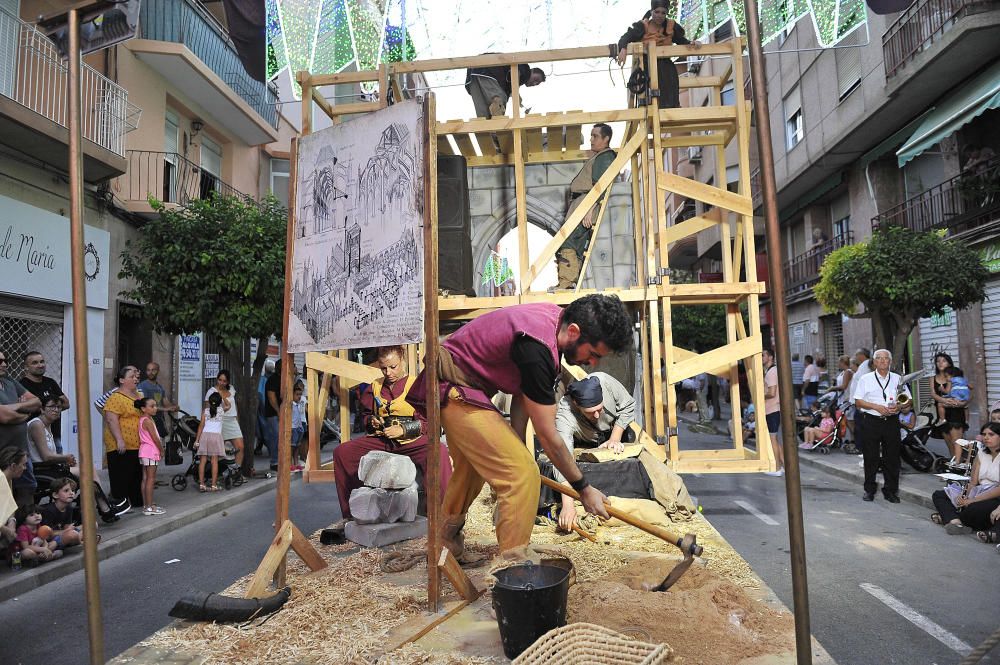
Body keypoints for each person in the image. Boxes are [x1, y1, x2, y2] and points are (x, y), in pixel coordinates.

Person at [406, 294, 632, 561]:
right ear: (574, 332)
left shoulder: (552, 322)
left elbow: (524, 393)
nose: (592, 363)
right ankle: (514, 569)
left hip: (462, 386)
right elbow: (549, 437)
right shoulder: (537, 349)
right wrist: (583, 489)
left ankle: (445, 546)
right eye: (592, 354)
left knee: (472, 469)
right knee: (522, 475)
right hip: (452, 386)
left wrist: (516, 443)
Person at [333, 346, 452, 525]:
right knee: (342, 453)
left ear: (402, 361)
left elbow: (431, 424)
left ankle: (443, 516)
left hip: (411, 440)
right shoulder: (375, 387)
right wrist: (372, 421)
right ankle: (353, 515)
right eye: (383, 368)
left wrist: (404, 430)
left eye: (393, 367)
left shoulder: (417, 385)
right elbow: (366, 415)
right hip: (381, 440)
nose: (388, 372)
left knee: (439, 451)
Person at [553, 373, 635, 530]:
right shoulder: (565, 414)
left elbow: (628, 405)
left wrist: (615, 438)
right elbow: (562, 458)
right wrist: (568, 505)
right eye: (591, 412)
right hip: (586, 439)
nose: (597, 415)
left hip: (613, 431)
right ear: (576, 404)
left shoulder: (606, 382)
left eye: (600, 409)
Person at [554, 124, 617, 290]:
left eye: (595, 136)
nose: (591, 139)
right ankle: (570, 282)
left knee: (567, 241)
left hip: (586, 204)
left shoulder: (605, 156)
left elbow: (601, 186)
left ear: (606, 139)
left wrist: (590, 210)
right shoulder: (600, 157)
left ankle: (567, 282)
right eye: (591, 136)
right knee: (575, 244)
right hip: (582, 203)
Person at [852, 349, 909, 503]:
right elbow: (858, 401)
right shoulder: (865, 379)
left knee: (892, 458)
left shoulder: (898, 379)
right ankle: (869, 490)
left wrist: (899, 406)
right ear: (874, 362)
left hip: (891, 422)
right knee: (871, 457)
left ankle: (891, 491)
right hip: (871, 420)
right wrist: (876, 407)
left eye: (886, 358)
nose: (883, 361)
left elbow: (907, 400)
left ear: (890, 362)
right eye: (879, 358)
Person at [616, 0, 696, 109]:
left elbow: (681, 40)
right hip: (647, 65)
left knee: (670, 76)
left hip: (665, 65)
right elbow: (626, 37)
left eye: (663, 13)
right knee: (650, 84)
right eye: (657, 12)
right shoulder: (643, 26)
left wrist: (691, 43)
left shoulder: (670, 26)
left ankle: (671, 107)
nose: (660, 15)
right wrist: (623, 49)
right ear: (652, 11)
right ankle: (651, 106)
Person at [931, 422, 1000, 536]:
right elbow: (973, 482)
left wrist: (972, 500)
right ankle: (956, 522)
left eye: (991, 434)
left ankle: (950, 518)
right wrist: (964, 496)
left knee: (974, 509)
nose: (986, 437)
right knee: (940, 495)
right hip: (978, 490)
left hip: (994, 496)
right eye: (984, 434)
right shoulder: (982, 453)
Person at [0, 350, 41, 506]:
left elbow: (37, 403)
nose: (4, 364)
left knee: (27, 489)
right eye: (0, 361)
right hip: (2, 452)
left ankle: (25, 527)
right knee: (4, 494)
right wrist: (24, 413)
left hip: (21, 451)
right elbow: (4, 417)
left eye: (5, 360)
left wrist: (14, 407)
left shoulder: (10, 381)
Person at [103, 365, 143, 510]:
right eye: (131, 377)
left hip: (138, 443)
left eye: (136, 377)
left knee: (136, 474)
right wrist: (119, 439)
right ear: (121, 380)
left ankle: (136, 501)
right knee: (121, 474)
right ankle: (119, 503)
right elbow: (111, 419)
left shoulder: (139, 395)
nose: (135, 379)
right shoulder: (115, 397)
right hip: (121, 443)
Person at [20, 351, 69, 453]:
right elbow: (23, 408)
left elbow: (66, 403)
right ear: (26, 367)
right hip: (33, 437)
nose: (40, 365)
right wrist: (51, 407)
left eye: (42, 361)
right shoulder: (22, 385)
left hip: (53, 435)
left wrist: (42, 408)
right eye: (35, 363)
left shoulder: (50, 382)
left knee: (58, 465)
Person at [464, 60, 545, 119]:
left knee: (483, 115)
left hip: (473, 74)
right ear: (532, 70)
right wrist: (515, 93)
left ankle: (488, 133)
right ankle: (496, 129)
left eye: (537, 84)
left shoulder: (511, 83)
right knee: (500, 99)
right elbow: (517, 72)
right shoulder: (525, 68)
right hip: (488, 70)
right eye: (536, 79)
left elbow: (510, 85)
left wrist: (514, 94)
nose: (534, 83)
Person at [204, 370, 245, 472]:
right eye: (220, 380)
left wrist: (237, 420)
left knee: (240, 447)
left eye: (224, 381)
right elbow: (207, 410)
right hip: (220, 421)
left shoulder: (231, 389)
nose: (221, 383)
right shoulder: (211, 391)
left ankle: (236, 472)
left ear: (228, 382)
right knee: (219, 451)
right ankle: (217, 473)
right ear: (217, 379)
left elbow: (234, 406)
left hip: (232, 420)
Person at [27, 396, 78, 477]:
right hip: (41, 469)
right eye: (52, 406)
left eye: (58, 407)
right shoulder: (37, 424)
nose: (56, 410)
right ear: (42, 409)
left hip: (50, 467)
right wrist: (66, 458)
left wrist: (66, 460)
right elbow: (46, 456)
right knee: (87, 471)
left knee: (85, 468)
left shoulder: (48, 425)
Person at [136, 397, 165, 516]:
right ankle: (148, 507)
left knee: (145, 478)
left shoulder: (145, 419)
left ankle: (147, 504)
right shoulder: (147, 421)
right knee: (151, 479)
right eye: (152, 406)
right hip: (150, 451)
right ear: (143, 408)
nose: (155, 408)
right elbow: (155, 438)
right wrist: (161, 450)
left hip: (145, 451)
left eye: (155, 405)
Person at [39, 477, 83, 549]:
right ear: (55, 495)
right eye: (66, 491)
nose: (71, 493)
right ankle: (79, 540)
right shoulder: (49, 510)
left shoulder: (69, 508)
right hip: (50, 539)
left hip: (63, 533)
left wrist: (69, 529)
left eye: (73, 490)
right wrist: (67, 531)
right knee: (72, 535)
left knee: (92, 525)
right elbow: (47, 535)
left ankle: (77, 539)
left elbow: (67, 527)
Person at [138, 361, 178, 439]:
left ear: (158, 371)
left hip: (159, 421)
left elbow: (166, 402)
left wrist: (174, 407)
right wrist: (166, 409)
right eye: (148, 370)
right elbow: (146, 405)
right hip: (148, 420)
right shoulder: (143, 386)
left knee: (161, 444)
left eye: (153, 370)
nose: (151, 372)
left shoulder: (159, 387)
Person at [195, 392, 225, 492]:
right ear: (220, 402)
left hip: (205, 436)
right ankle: (213, 485)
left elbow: (201, 426)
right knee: (214, 461)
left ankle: (202, 484)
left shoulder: (205, 411)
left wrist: (197, 440)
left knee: (202, 461)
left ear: (209, 401)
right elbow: (228, 405)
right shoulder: (221, 410)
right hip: (216, 437)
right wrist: (223, 396)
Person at [929, 352, 967, 427]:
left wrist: (962, 403)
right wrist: (944, 400)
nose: (940, 363)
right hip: (941, 412)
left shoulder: (956, 377)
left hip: (955, 410)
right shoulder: (932, 378)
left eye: (944, 361)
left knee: (956, 438)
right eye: (938, 361)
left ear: (949, 364)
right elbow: (933, 394)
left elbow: (967, 391)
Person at [761, 349, 783, 477]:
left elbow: (772, 392)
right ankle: (782, 465)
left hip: (772, 409)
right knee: (774, 439)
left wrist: (759, 395)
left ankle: (776, 468)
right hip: (772, 408)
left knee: (772, 439)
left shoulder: (771, 372)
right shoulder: (771, 371)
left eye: (763, 355)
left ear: (770, 357)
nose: (761, 358)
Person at [290, 381, 306, 472]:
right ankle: (291, 463)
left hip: (299, 427)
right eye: (297, 394)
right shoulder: (290, 404)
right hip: (293, 427)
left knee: (297, 446)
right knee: (292, 446)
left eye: (300, 394)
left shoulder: (299, 403)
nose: (299, 396)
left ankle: (296, 463)